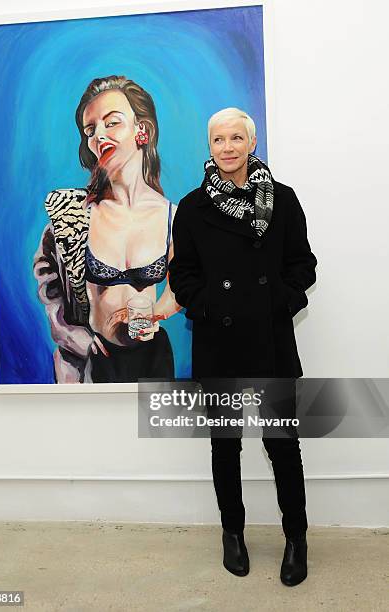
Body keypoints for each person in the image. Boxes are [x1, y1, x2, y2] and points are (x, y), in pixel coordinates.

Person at [168, 107, 317, 585]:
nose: (227, 147)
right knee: (225, 446)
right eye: (218, 139)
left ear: (252, 144)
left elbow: (303, 264)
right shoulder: (192, 208)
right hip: (219, 342)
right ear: (208, 147)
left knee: (282, 446)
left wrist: (279, 301)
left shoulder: (285, 200)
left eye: (236, 138)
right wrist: (208, 304)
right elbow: (183, 274)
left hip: (270, 342)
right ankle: (232, 533)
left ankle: (297, 538)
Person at [33, 76, 181, 383]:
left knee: (159, 434)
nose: (98, 136)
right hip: (88, 366)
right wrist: (79, 340)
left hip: (153, 361)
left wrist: (159, 313)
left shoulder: (172, 217)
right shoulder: (72, 214)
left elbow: (187, 281)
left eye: (111, 123)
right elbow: (49, 286)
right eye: (90, 130)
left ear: (142, 131)